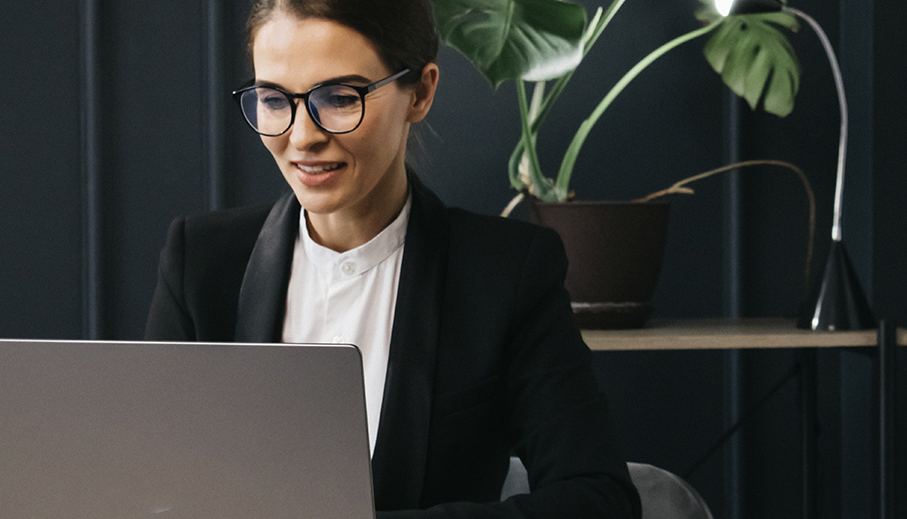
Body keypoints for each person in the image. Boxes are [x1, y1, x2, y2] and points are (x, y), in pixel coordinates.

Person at [144, 0, 640, 516]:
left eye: (338, 97)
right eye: (273, 99)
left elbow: (599, 500)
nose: (302, 136)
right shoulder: (199, 262)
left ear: (420, 92)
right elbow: (143, 481)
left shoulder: (507, 274)